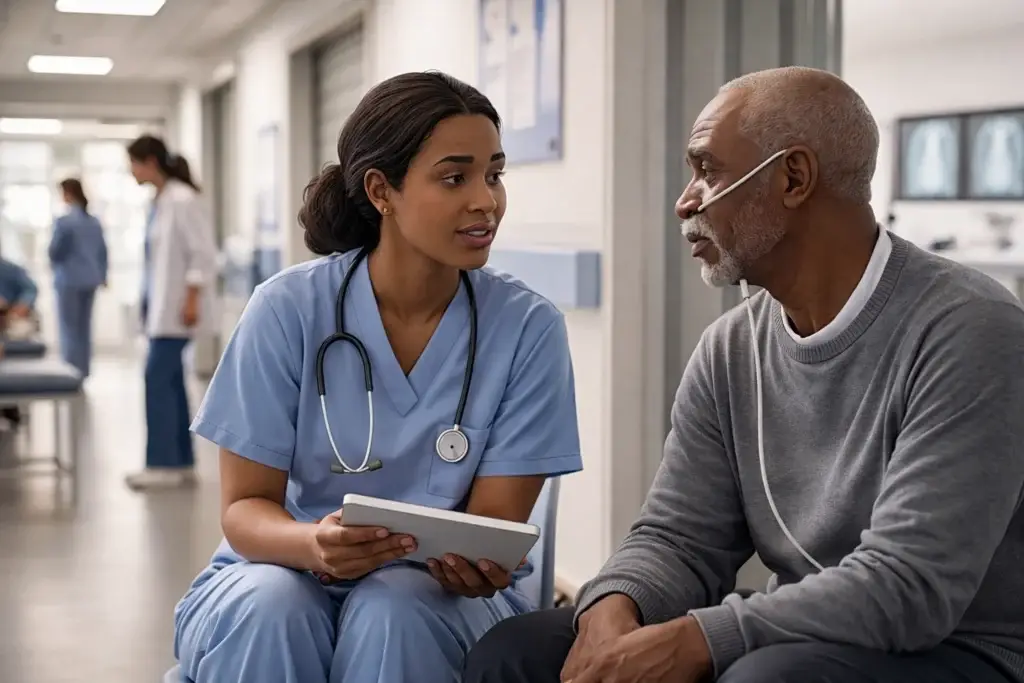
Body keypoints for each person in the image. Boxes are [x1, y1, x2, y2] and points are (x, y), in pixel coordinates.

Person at [464, 66, 1024, 683]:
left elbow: (911, 586)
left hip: (958, 649)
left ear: (793, 178)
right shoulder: (729, 347)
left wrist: (699, 639)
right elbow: (680, 537)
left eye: (707, 170)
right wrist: (611, 609)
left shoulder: (970, 329)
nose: (685, 199)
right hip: (806, 639)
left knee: (763, 678)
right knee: (519, 652)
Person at [172, 71, 583, 683]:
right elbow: (245, 510)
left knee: (395, 605)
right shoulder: (286, 311)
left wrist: (483, 562)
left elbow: (495, 526)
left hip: (435, 600)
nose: (486, 200)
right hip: (277, 572)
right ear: (381, 191)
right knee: (273, 608)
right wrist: (314, 545)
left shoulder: (527, 329)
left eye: (494, 174)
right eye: (455, 177)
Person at [124, 135, 218, 491]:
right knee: (171, 384)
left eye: (133, 163)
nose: (130, 171)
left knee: (157, 381)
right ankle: (180, 462)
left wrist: (191, 298)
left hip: (177, 310)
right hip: (162, 309)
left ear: (150, 162)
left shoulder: (182, 199)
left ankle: (163, 464)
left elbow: (203, 254)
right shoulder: (162, 201)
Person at [49, 178, 108, 378]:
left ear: (67, 193)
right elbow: (103, 251)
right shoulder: (93, 222)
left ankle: (70, 373)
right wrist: (103, 274)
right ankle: (83, 371)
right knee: (84, 329)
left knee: (69, 329)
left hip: (69, 281)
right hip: (90, 280)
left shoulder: (64, 222)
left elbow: (55, 252)